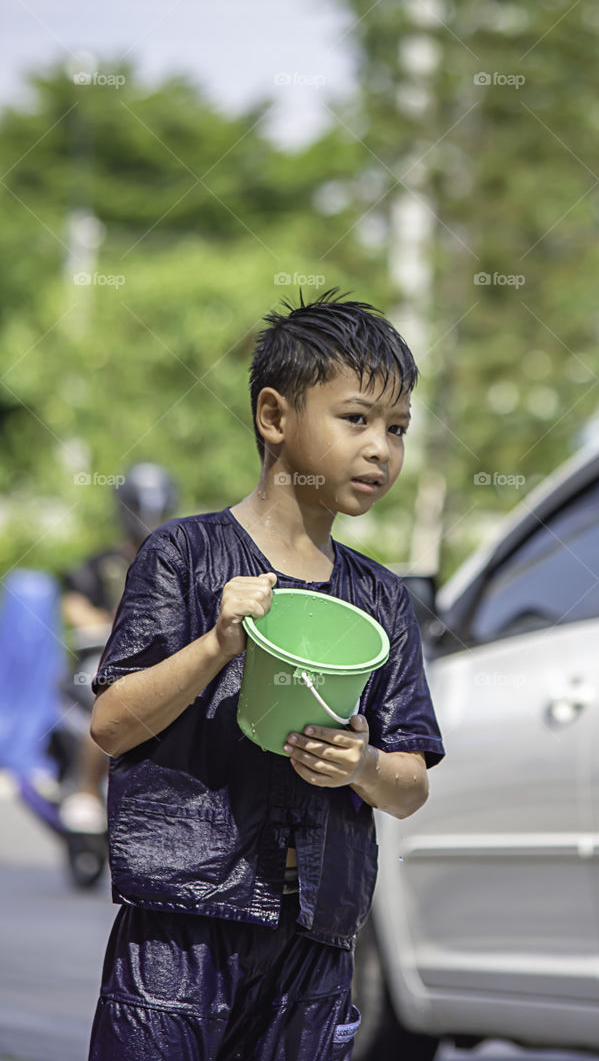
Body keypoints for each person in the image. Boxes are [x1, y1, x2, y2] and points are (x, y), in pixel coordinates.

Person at [87, 288, 445, 1061]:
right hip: (180, 929)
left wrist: (363, 765)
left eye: (397, 428)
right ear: (275, 417)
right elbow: (113, 723)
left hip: (315, 940)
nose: (381, 448)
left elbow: (410, 783)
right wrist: (216, 643)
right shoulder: (183, 556)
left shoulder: (379, 596)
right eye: (356, 419)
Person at [59, 463, 179, 835]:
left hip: (163, 665)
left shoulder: (178, 563)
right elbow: (74, 603)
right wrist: (107, 625)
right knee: (106, 698)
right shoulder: (104, 564)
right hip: (106, 660)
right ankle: (86, 791)